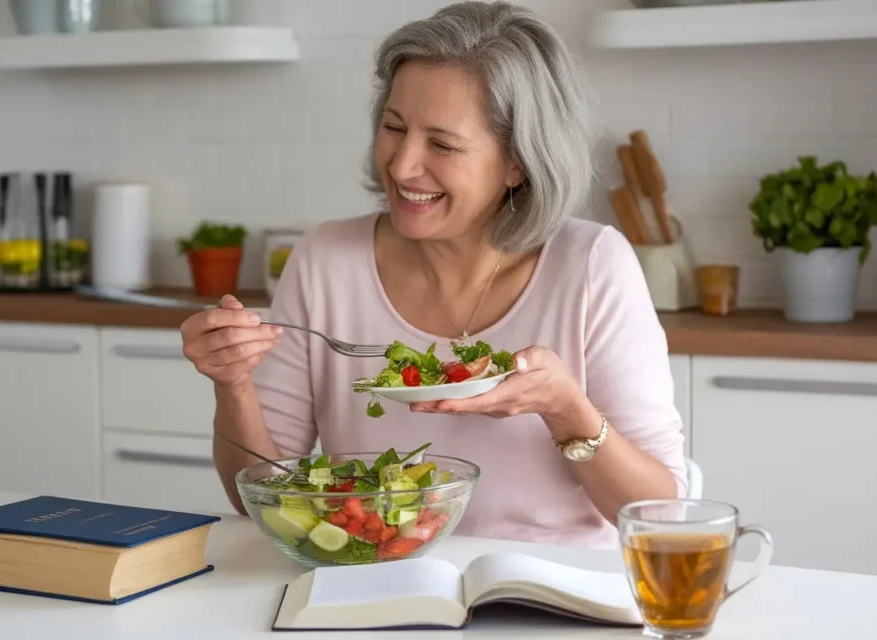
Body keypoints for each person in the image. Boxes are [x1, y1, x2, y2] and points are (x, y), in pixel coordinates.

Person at [180, 1, 687, 549]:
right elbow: (257, 493)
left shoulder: (591, 266)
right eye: (394, 128)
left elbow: (662, 516)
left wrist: (567, 410)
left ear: (517, 161)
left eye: (442, 144)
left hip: (549, 600)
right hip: (377, 581)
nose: (401, 166)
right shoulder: (326, 259)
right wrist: (232, 385)